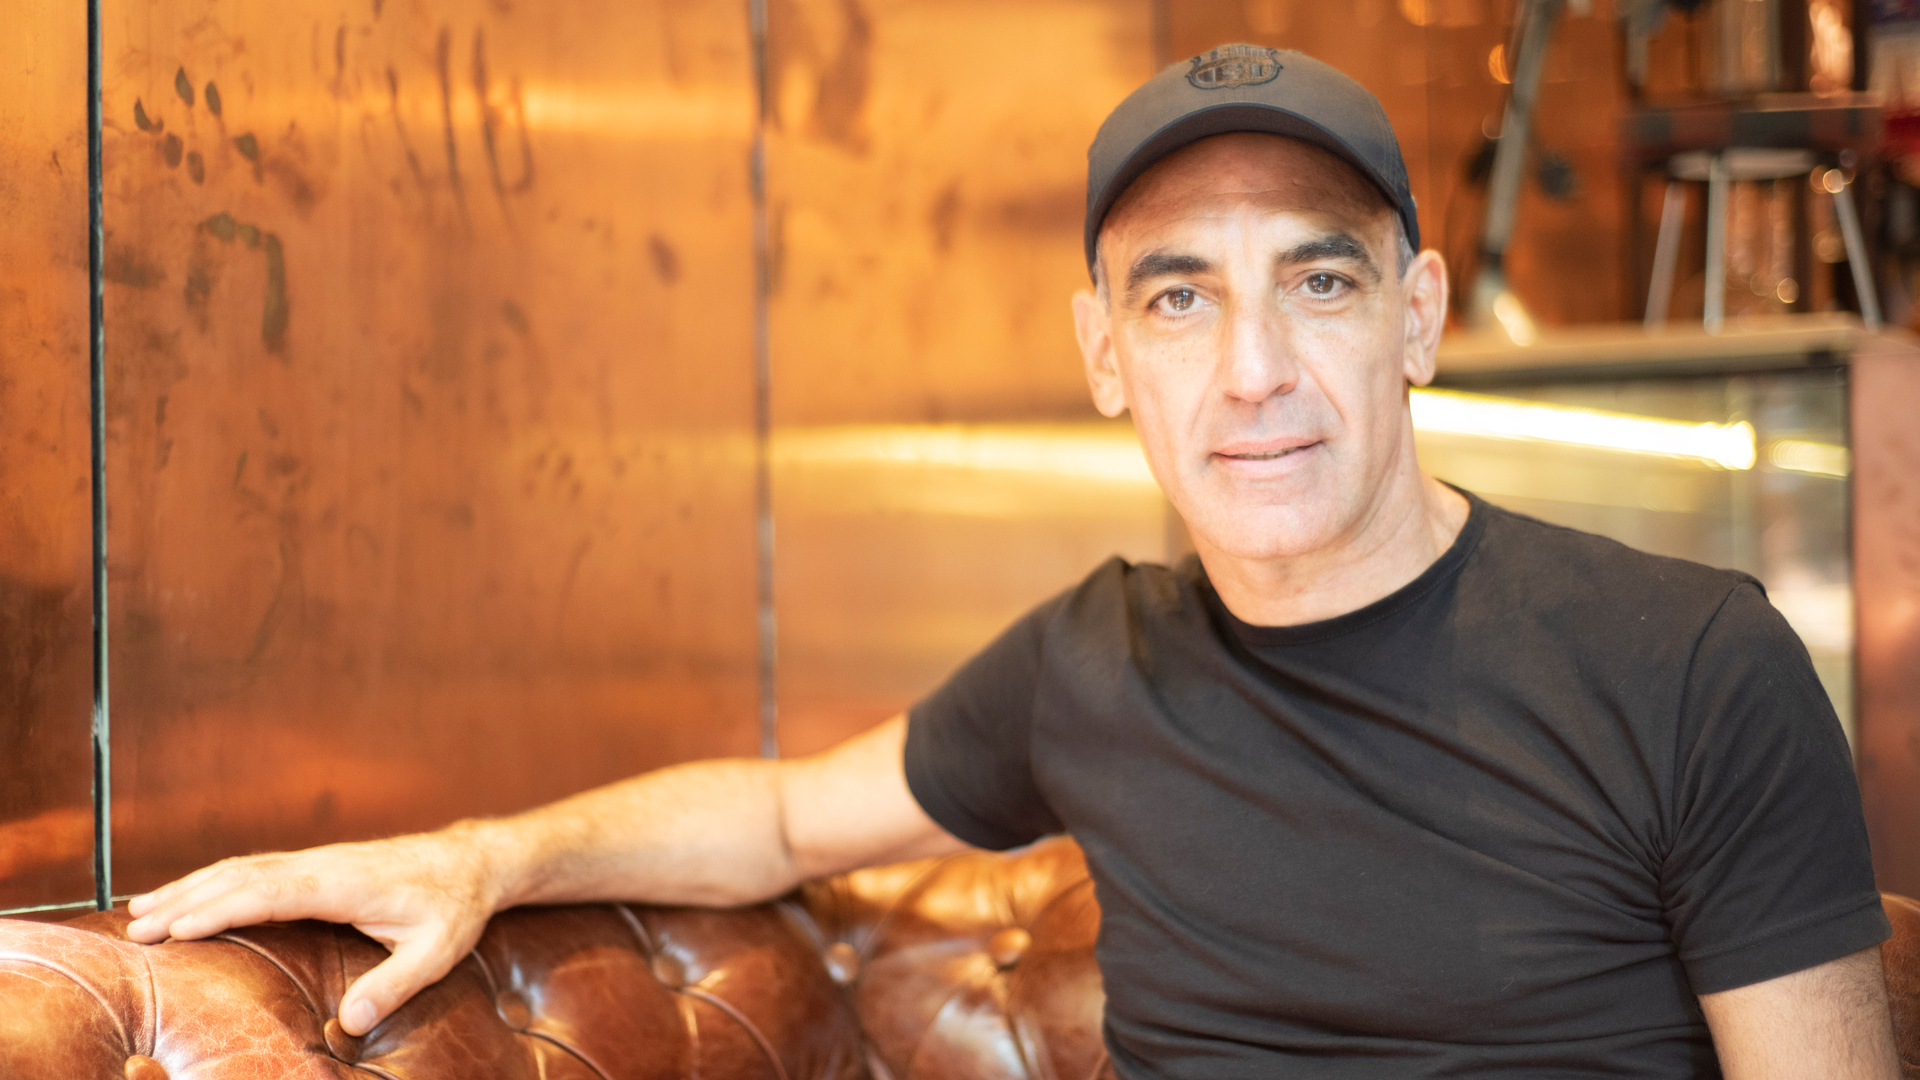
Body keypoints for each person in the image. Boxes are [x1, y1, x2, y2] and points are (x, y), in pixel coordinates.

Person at [125, 46, 1898, 1078]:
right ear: (1105, 356)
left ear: (1419, 319)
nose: (1254, 370)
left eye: (1320, 280)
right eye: (1179, 299)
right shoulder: (1091, 663)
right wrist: (483, 856)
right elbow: (779, 821)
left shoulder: (1690, 666)